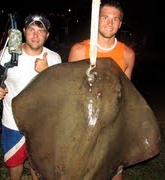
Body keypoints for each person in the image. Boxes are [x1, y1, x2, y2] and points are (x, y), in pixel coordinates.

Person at [0, 13, 62, 180]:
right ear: (23, 31)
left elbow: (59, 95)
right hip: (12, 122)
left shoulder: (54, 58)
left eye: (41, 31)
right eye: (31, 29)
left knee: (37, 164)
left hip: (41, 125)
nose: (35, 35)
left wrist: (46, 73)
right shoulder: (8, 53)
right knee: (14, 163)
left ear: (47, 35)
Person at [68, 1, 135, 179]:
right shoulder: (80, 50)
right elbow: (70, 93)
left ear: (120, 24)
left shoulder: (128, 54)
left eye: (115, 19)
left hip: (112, 125)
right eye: (105, 17)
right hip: (84, 125)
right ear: (96, 20)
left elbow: (126, 95)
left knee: (114, 172)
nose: (110, 23)